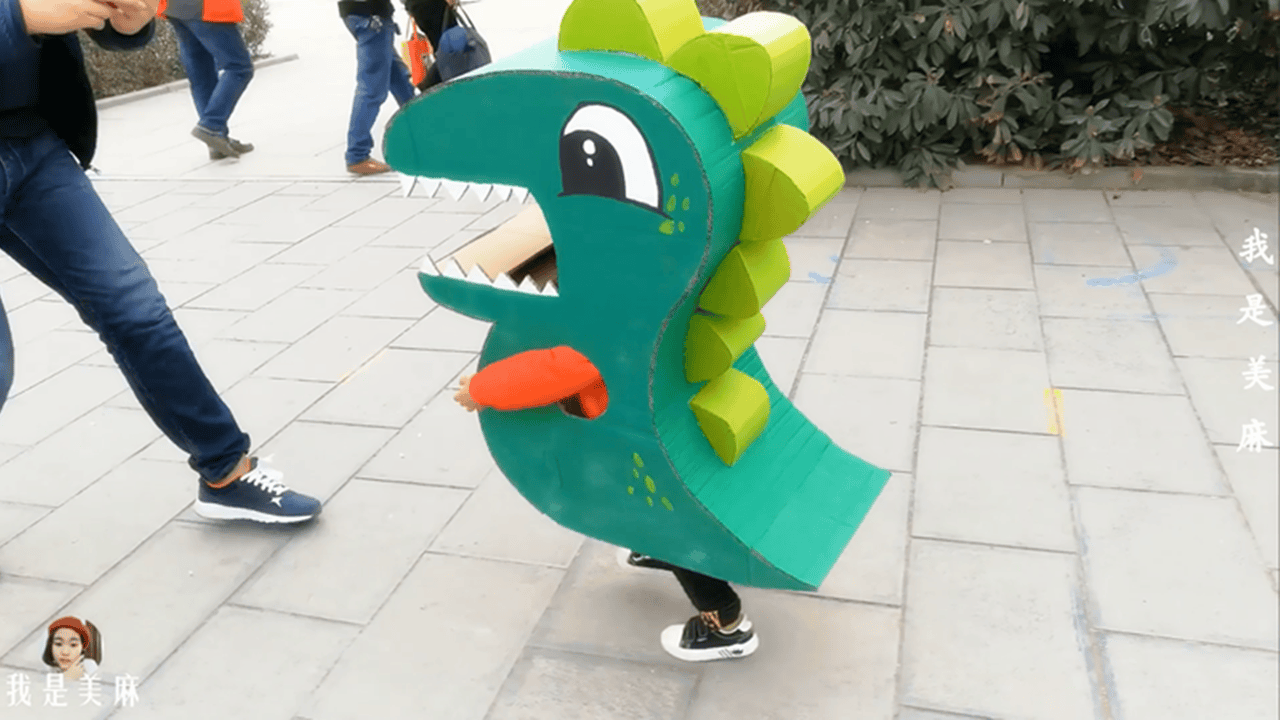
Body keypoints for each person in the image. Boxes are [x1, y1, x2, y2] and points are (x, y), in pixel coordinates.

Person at [0, 0, 322, 524]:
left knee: (137, 310)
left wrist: (127, 22)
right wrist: (19, 17)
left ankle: (226, 472)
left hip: (30, 142)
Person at [452, 347, 759, 662]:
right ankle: (662, 549)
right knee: (661, 514)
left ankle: (727, 625)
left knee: (671, 528)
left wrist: (480, 389)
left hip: (640, 448)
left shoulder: (602, 332)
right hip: (668, 426)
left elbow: (561, 367)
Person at [157, 0, 255, 160]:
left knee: (201, 73)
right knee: (239, 67)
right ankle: (212, 126)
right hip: (205, 6)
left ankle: (216, 142)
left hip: (174, 8)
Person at [339, 0, 417, 175]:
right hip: (370, 16)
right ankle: (357, 155)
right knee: (372, 89)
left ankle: (422, 131)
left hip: (363, 14)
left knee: (400, 80)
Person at [402, 0, 455, 90]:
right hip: (431, 6)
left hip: (419, 6)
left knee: (445, 47)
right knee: (450, 48)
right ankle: (430, 86)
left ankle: (430, 86)